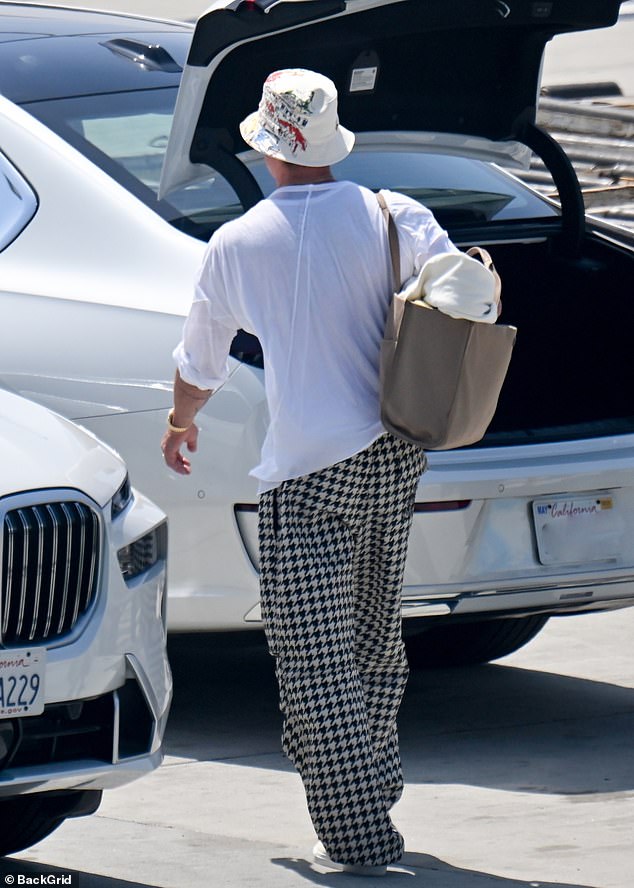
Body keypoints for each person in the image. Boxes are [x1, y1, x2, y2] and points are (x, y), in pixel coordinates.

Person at [161, 68, 459, 876]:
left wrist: (180, 421)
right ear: (329, 144)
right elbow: (469, 298)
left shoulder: (238, 242)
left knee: (310, 655)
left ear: (267, 148)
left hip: (307, 471)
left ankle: (361, 835)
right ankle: (370, 788)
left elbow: (201, 361)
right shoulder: (396, 215)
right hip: (396, 454)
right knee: (369, 637)